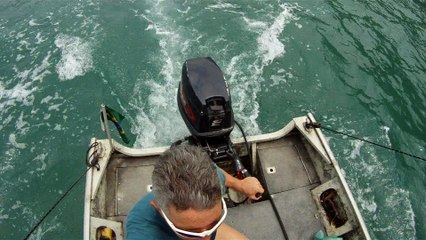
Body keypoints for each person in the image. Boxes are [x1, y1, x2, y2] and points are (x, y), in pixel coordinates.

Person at [126, 144, 264, 240]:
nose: (207, 238)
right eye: (190, 232)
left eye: (214, 222)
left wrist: (240, 185)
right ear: (159, 209)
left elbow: (217, 172)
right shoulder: (142, 233)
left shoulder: (209, 180)